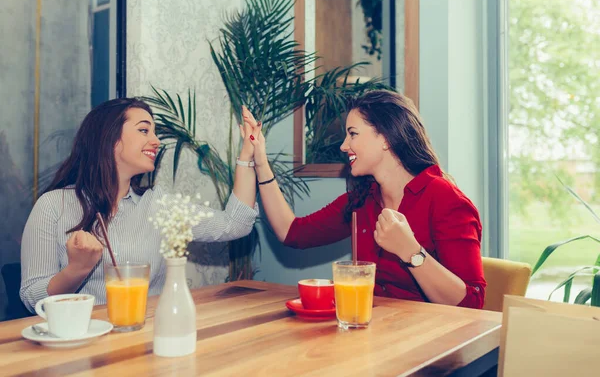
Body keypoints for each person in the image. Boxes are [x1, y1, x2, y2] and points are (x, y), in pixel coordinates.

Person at [243, 90, 486, 309]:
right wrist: (261, 163)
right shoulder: (363, 199)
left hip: (427, 341)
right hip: (370, 331)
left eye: (352, 134)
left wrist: (411, 252)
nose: (343, 145)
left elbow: (471, 303)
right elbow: (292, 232)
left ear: (385, 139)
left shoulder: (447, 200)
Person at [20, 98, 258, 312]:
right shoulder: (53, 206)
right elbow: (32, 297)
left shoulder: (159, 204)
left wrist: (247, 157)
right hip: (83, 344)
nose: (156, 141)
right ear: (109, 138)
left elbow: (235, 224)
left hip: (148, 338)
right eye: (144, 130)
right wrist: (76, 270)